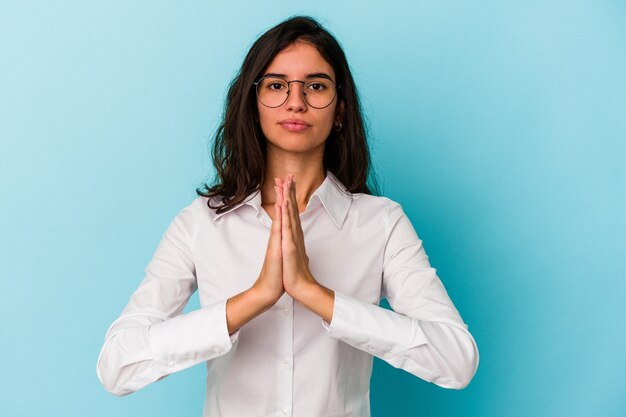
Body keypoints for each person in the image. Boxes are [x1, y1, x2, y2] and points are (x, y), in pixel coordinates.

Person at [96, 15, 479, 417]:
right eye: (277, 86)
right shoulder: (200, 224)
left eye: (316, 86)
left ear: (341, 109)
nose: (296, 102)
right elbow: (117, 366)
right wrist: (255, 298)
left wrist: (314, 294)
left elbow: (456, 359)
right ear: (253, 103)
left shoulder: (381, 224)